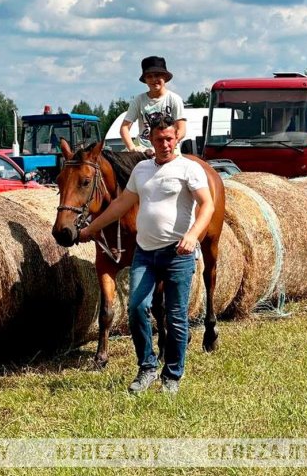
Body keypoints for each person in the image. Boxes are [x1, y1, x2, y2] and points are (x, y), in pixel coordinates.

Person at [79, 116, 214, 395]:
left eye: (169, 139)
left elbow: (207, 205)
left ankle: (172, 375)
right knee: (137, 309)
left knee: (176, 317)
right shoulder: (141, 169)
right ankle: (147, 368)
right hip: (145, 253)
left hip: (178, 253)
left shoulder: (189, 169)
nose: (164, 144)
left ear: (176, 139)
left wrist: (192, 236)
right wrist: (91, 229)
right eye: (159, 139)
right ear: (150, 141)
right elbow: (120, 205)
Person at [121, 56, 186, 156]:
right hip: (142, 148)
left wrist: (169, 144)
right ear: (145, 79)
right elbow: (124, 127)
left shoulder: (174, 99)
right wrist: (132, 148)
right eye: (149, 76)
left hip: (168, 147)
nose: (153, 79)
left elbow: (182, 129)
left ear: (164, 77)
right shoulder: (138, 100)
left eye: (157, 75)